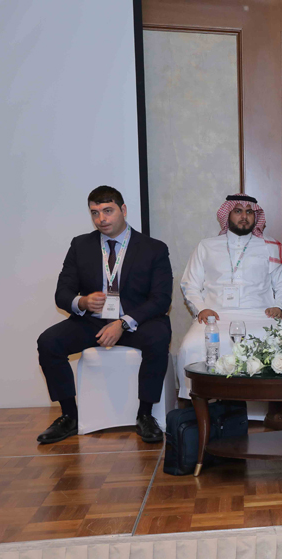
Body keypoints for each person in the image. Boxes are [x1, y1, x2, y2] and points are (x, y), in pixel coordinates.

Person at [36, 186, 172, 444]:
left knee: (158, 338)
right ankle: (69, 416)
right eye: (95, 213)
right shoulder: (80, 245)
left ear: (123, 210)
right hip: (92, 322)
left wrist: (123, 323)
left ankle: (145, 415)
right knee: (49, 342)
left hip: (136, 321)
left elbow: (161, 299)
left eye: (108, 211)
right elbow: (62, 293)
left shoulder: (153, 248)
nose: (101, 219)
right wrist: (83, 301)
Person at [176, 194, 282, 399]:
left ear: (256, 217)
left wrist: (279, 307)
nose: (244, 217)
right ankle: (200, 404)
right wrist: (201, 309)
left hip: (261, 315)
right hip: (214, 316)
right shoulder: (207, 246)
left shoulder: (270, 246)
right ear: (227, 215)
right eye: (238, 211)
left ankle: (272, 405)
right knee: (191, 345)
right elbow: (190, 284)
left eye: (249, 212)